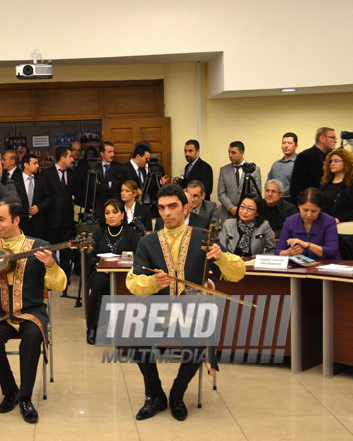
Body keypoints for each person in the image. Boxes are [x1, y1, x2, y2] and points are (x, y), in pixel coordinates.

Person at [126, 184, 245, 421]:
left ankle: (177, 394)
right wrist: (152, 282)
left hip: (193, 313)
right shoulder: (147, 242)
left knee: (199, 341)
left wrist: (221, 258)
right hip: (158, 311)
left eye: (173, 206)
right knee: (136, 340)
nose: (167, 213)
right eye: (161, 208)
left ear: (186, 207)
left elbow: (237, 273)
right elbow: (133, 282)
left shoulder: (204, 237)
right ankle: (155, 395)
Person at [0, 199, 67, 423]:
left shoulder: (40, 246)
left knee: (31, 337)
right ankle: (11, 390)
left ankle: (26, 398)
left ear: (16, 220)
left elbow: (59, 285)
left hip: (31, 313)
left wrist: (50, 264)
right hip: (0, 314)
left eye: (1, 219)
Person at [86, 199, 140, 344]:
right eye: (107, 213)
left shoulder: (131, 233)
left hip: (126, 274)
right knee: (98, 281)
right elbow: (90, 257)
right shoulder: (99, 234)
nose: (111, 216)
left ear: (122, 214)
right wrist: (100, 265)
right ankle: (93, 327)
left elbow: (140, 256)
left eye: (115, 212)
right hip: (103, 273)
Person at [42, 146, 75, 283]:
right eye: (70, 157)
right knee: (51, 251)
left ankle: (65, 278)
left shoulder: (72, 174)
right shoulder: (47, 174)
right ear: (63, 158)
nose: (72, 159)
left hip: (67, 221)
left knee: (67, 251)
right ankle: (51, 278)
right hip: (52, 221)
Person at [277, 188, 340, 259]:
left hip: (325, 266)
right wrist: (287, 253)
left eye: (313, 211)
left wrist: (307, 245)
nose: (309, 215)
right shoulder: (290, 221)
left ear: (320, 209)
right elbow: (279, 251)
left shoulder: (329, 222)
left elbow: (332, 251)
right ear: (298, 206)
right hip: (298, 268)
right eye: (305, 210)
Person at [290, 127, 337, 205]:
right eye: (332, 138)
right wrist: (301, 207)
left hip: (328, 206)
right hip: (309, 205)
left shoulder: (333, 157)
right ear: (322, 139)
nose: (335, 141)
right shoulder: (305, 156)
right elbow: (295, 186)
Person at [217, 141, 262, 219]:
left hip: (247, 213)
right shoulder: (224, 170)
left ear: (241, 153)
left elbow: (256, 193)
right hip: (228, 214)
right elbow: (221, 193)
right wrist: (231, 208)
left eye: (233, 153)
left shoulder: (254, 169)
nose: (230, 155)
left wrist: (242, 208)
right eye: (229, 152)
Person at [12, 153, 51, 240]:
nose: (37, 166)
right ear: (26, 165)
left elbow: (49, 198)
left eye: (37, 163)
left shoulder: (42, 179)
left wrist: (39, 207)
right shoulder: (15, 180)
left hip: (38, 224)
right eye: (34, 163)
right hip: (21, 224)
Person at [319, 148, 353, 223]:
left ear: (346, 163)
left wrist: (339, 219)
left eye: (336, 161)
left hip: (344, 224)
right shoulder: (326, 182)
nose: (332, 164)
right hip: (324, 223)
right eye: (331, 161)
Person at [267, 132, 298, 200]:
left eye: (289, 143)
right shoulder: (276, 164)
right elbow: (268, 183)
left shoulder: (299, 163)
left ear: (296, 146)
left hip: (291, 201)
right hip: (274, 201)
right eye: (284, 143)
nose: (286, 146)